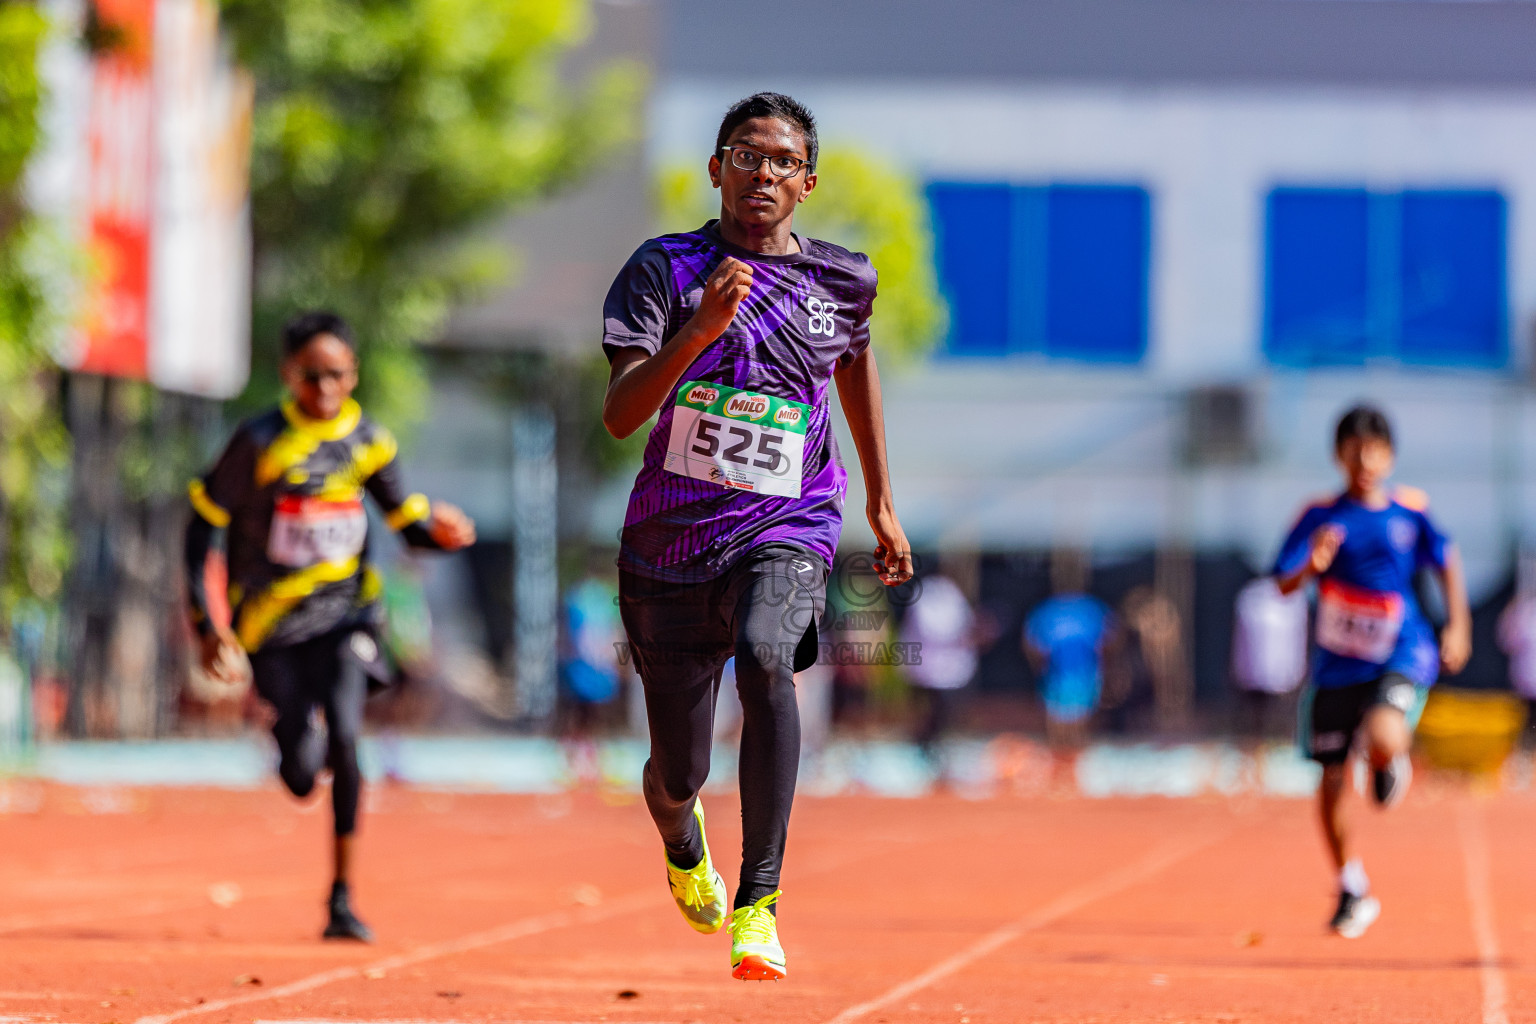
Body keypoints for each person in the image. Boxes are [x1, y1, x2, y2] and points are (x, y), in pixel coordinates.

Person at [600, 91, 911, 981]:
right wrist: (700, 327)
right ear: (717, 169)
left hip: (789, 520)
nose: (762, 172)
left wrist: (882, 500)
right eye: (746, 154)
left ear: (807, 183)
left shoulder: (842, 279)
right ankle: (678, 831)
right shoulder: (664, 269)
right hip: (670, 543)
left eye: (781, 161)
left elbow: (855, 359)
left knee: (771, 659)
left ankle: (760, 903)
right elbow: (622, 415)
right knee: (679, 770)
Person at [185, 311, 476, 941]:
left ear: (353, 375)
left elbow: (407, 522)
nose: (324, 390)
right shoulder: (259, 441)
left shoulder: (369, 440)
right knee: (299, 772)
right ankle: (293, 733)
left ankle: (341, 898)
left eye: (337, 376)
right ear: (289, 375)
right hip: (270, 626)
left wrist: (444, 534)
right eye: (311, 377)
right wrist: (206, 622)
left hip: (348, 614)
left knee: (347, 737)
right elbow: (201, 522)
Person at [1274, 404, 1469, 938]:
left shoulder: (1412, 510)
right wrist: (1309, 568)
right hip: (1337, 665)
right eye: (1353, 451)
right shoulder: (1318, 515)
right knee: (1331, 780)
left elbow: (1447, 562)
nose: (1364, 461)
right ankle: (1351, 885)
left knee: (1385, 733)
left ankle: (1387, 758)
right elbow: (1281, 583)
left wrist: (1457, 627)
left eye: (1374, 451)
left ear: (1389, 456)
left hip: (1399, 651)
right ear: (1339, 456)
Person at [899, 572, 978, 764]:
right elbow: (934, 629)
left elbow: (963, 625)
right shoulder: (929, 593)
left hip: (948, 672)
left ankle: (938, 751)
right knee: (925, 714)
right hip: (926, 670)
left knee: (946, 715)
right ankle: (922, 751)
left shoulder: (952, 595)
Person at [1230, 575, 1309, 741]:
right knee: (1256, 718)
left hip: (1280, 676)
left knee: (1277, 719)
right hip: (1258, 676)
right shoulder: (1251, 598)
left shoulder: (1293, 600)